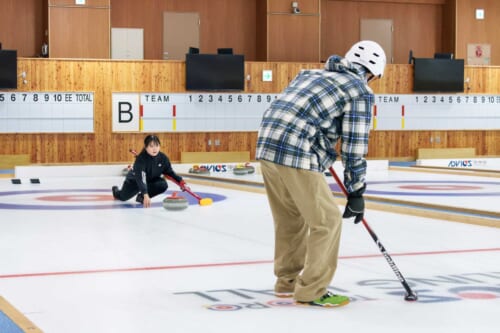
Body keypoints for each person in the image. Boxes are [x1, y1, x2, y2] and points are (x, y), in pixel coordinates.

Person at [256, 41, 386, 307]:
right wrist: (356, 191)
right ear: (372, 73)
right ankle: (312, 290)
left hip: (267, 145)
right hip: (296, 150)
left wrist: (320, 147)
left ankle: (286, 283)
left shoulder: (310, 74)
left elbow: (298, 114)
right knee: (327, 222)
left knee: (290, 220)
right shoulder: (360, 91)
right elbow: (354, 146)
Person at [112, 134, 189, 208]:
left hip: (150, 180)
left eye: (157, 145)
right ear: (146, 147)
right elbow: (141, 178)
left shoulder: (163, 158)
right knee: (123, 197)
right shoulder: (141, 159)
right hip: (135, 181)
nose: (155, 149)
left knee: (162, 184)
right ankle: (116, 191)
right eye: (151, 146)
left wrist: (182, 182)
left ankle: (141, 197)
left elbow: (170, 172)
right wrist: (145, 193)